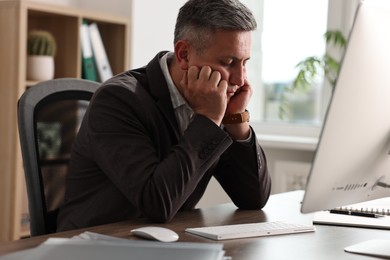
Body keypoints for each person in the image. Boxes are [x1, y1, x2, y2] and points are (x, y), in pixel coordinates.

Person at [57, 0, 271, 232]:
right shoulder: (117, 100)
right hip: (95, 245)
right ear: (184, 55)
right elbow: (157, 203)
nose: (240, 79)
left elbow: (253, 199)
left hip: (164, 244)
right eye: (228, 62)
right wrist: (208, 117)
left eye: (244, 63)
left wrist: (236, 119)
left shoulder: (216, 100)